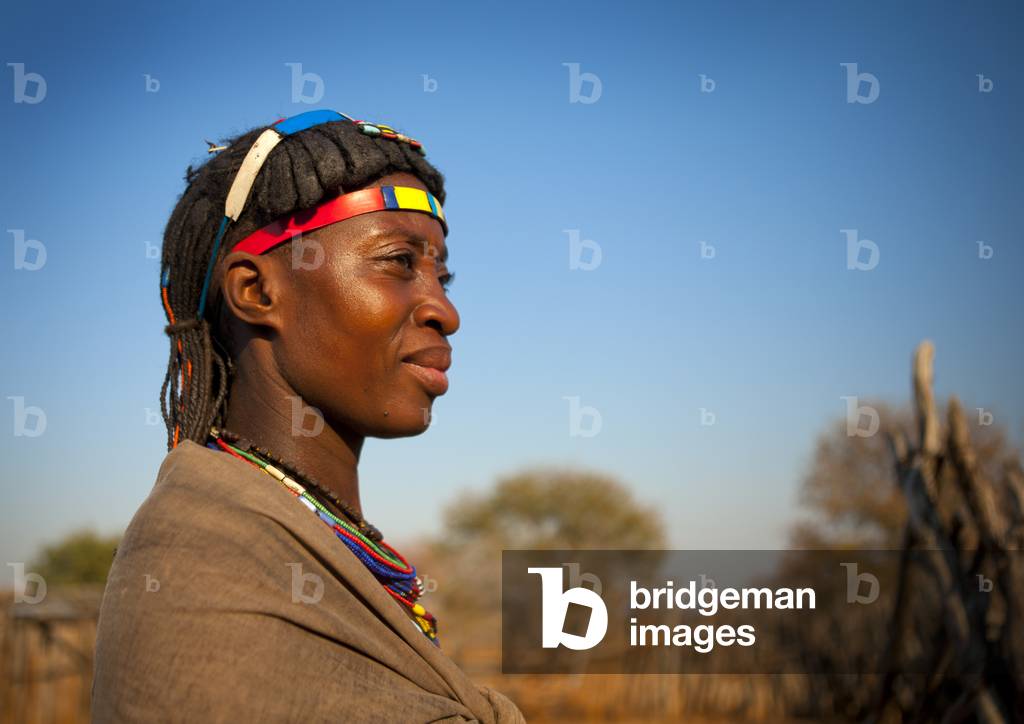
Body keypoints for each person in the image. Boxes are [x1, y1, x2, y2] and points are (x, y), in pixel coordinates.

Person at [91, 110, 526, 723]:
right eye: (400, 262)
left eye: (442, 274)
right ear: (257, 292)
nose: (445, 311)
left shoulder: (319, 553)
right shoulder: (207, 566)